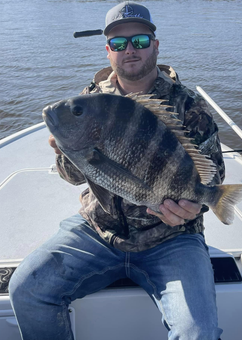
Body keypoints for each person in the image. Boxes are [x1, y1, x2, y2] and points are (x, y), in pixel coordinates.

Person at [9, 2, 224, 339]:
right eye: (119, 43)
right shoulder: (89, 101)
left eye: (139, 41)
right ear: (108, 51)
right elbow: (75, 176)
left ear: (155, 45)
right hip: (98, 230)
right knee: (25, 289)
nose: (130, 50)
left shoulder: (188, 105)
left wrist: (194, 206)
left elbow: (214, 176)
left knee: (197, 331)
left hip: (172, 238)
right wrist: (66, 151)